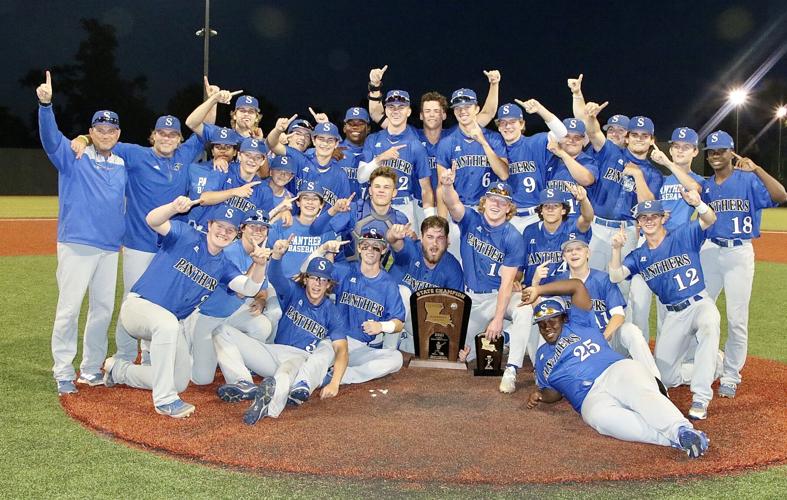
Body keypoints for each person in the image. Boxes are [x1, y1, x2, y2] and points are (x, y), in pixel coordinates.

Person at [103, 202, 268, 418]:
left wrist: (260, 264)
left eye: (230, 230)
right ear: (209, 225)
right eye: (220, 225)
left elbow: (249, 288)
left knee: (179, 381)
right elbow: (153, 220)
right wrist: (173, 207)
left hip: (171, 323)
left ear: (236, 234)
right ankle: (164, 401)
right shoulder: (186, 236)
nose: (223, 232)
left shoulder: (224, 265)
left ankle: (119, 370)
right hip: (139, 307)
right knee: (167, 324)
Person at [522, 279, 709, 459]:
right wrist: (542, 395)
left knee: (640, 395)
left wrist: (539, 290)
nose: (547, 327)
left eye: (552, 319)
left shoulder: (580, 322)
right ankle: (677, 439)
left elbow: (577, 286)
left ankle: (680, 428)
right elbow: (555, 392)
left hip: (615, 370)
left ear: (564, 317)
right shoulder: (541, 357)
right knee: (604, 421)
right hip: (589, 399)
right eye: (541, 323)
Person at [37, 71, 126, 394]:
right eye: (98, 130)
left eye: (110, 129)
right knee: (70, 308)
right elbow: (50, 139)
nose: (105, 133)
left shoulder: (121, 161)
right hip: (76, 244)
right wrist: (46, 105)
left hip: (108, 248)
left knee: (102, 310)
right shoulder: (74, 155)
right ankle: (62, 370)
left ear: (117, 133)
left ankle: (90, 369)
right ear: (91, 131)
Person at [609, 198, 720, 420]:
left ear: (662, 218)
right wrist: (616, 249)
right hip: (674, 314)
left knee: (710, 322)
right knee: (666, 377)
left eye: (653, 216)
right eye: (643, 218)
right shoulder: (639, 256)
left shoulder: (681, 235)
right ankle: (715, 364)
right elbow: (615, 276)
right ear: (638, 223)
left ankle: (701, 396)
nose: (649, 221)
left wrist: (698, 204)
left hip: (699, 302)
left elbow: (710, 218)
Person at [699, 130, 787, 398]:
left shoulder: (748, 179)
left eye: (721, 151)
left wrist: (758, 168)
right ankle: (708, 364)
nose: (715, 155)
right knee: (701, 313)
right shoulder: (706, 186)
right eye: (711, 152)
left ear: (731, 152)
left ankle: (731, 374)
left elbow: (780, 194)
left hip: (739, 253)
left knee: (737, 319)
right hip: (711, 251)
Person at [226, 240, 350, 425]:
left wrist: (335, 383)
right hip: (273, 352)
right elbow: (276, 277)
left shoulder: (332, 312)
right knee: (223, 331)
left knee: (285, 374)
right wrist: (276, 256)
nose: (318, 284)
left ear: (328, 285)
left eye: (323, 280)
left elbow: (341, 350)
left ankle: (269, 408)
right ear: (306, 279)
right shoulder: (294, 292)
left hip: (298, 357)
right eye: (314, 278)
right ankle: (244, 383)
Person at [440, 167, 529, 393]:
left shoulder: (513, 237)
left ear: (509, 208)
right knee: (459, 356)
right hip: (471, 299)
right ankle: (503, 338)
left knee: (524, 309)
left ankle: (511, 369)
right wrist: (448, 185)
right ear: (484, 200)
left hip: (496, 297)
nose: (496, 204)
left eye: (503, 201)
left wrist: (498, 318)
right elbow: (452, 204)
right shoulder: (471, 219)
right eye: (492, 198)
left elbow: (507, 284)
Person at [629, 127, 705, 341]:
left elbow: (695, 188)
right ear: (671, 149)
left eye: (686, 147)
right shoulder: (660, 179)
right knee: (638, 305)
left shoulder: (697, 178)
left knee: (669, 312)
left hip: (675, 250)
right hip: (648, 247)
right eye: (676, 147)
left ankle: (666, 362)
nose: (680, 151)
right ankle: (640, 359)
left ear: (695, 152)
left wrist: (667, 163)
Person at [186, 212, 275, 387]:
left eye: (263, 228)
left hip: (230, 313)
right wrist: (257, 262)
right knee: (202, 378)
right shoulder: (229, 251)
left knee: (262, 325)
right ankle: (183, 357)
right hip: (206, 315)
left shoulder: (262, 253)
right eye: (252, 226)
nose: (258, 231)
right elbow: (242, 292)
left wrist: (262, 300)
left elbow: (261, 289)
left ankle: (241, 373)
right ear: (242, 229)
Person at [552, 238, 661, 381]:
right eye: (569, 250)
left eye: (578, 249)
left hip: (608, 339)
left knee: (631, 331)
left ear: (588, 253)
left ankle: (656, 381)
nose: (574, 253)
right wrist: (535, 282)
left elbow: (618, 315)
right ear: (564, 257)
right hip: (580, 347)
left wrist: (601, 339)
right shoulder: (558, 283)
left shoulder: (603, 279)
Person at [581, 97, 663, 285]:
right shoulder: (611, 152)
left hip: (627, 232)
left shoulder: (654, 174)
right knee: (589, 283)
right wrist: (592, 117)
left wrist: (638, 175)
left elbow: (647, 207)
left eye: (645, 136)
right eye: (635, 135)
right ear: (627, 137)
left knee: (622, 287)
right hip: (598, 228)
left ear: (652, 140)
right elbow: (593, 133)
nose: (639, 139)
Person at [521, 187, 593, 363]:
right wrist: (517, 281)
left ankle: (546, 364)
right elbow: (520, 267)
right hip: (533, 291)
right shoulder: (529, 231)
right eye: (546, 206)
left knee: (547, 319)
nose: (551, 209)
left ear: (563, 209)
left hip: (562, 295)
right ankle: (522, 364)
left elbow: (588, 218)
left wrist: (583, 200)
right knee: (528, 324)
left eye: (555, 205)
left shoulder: (572, 227)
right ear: (540, 210)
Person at [435, 88, 509, 260]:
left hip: (487, 213)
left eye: (467, 106)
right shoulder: (447, 143)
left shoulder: (494, 138)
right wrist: (442, 225)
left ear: (476, 108)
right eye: (458, 108)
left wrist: (483, 142)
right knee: (455, 262)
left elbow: (504, 174)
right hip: (457, 212)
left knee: (487, 262)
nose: (463, 111)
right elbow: (441, 187)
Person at [333, 232, 406, 384]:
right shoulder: (344, 270)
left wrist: (381, 326)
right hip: (335, 341)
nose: (370, 250)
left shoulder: (388, 284)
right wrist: (323, 251)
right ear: (359, 248)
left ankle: (343, 376)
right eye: (365, 246)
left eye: (376, 247)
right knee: (318, 356)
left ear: (384, 250)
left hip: (360, 348)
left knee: (396, 359)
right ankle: (324, 374)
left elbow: (399, 323)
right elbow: (309, 272)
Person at [385, 216, 464, 352]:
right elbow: (394, 242)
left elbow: (455, 310)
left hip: (420, 321)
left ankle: (404, 342)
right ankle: (387, 350)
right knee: (403, 291)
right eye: (430, 237)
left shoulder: (453, 268)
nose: (435, 243)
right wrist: (392, 235)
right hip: (389, 311)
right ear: (421, 238)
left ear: (447, 241)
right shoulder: (411, 249)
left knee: (439, 348)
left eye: (440, 238)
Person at [357, 90, 434, 228]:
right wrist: (380, 158)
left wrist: (431, 220)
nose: (396, 111)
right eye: (391, 107)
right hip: (374, 207)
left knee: (407, 248)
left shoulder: (416, 145)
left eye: (401, 107)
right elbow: (361, 177)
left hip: (404, 206)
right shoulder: (373, 139)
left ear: (408, 111)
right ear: (386, 110)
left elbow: (426, 189)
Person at [497, 102, 568, 232]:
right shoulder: (496, 150)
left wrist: (540, 109)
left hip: (536, 215)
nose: (508, 126)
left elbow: (562, 133)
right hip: (507, 217)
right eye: (503, 122)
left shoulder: (535, 142)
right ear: (499, 127)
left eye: (513, 122)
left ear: (522, 124)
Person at [544, 118, 598, 223]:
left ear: (583, 141)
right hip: (551, 221)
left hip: (577, 222)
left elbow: (586, 179)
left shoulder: (588, 161)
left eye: (577, 137)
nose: (571, 140)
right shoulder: (550, 160)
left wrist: (562, 154)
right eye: (567, 136)